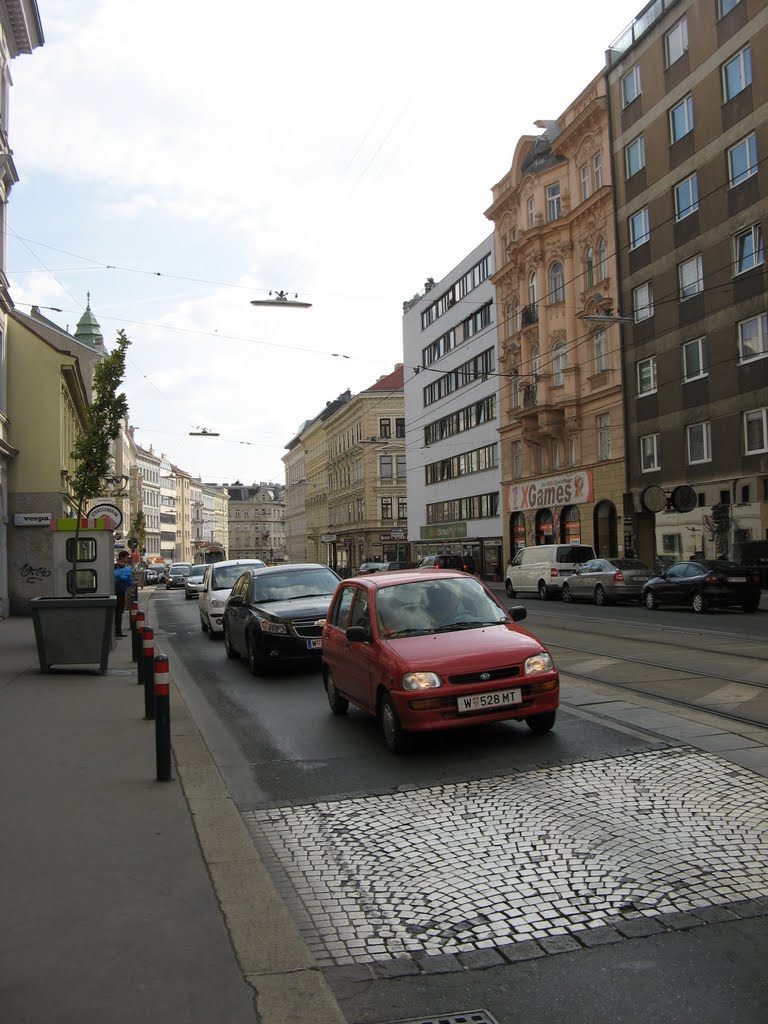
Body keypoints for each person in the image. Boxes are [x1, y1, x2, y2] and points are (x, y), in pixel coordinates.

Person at [114, 550, 133, 637]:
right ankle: (118, 631)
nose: (127, 559)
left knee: (119, 611)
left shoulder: (121, 567)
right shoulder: (120, 567)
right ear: (122, 558)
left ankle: (118, 630)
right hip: (119, 591)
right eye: (126, 557)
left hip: (120, 591)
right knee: (119, 611)